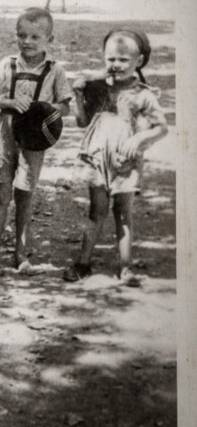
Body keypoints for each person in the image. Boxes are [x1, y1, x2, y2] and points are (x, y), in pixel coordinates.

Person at [64, 28, 168, 286]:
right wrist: (78, 95)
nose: (116, 64)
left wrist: (139, 139)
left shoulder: (143, 94)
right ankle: (83, 263)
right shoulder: (97, 88)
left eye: (123, 59)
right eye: (111, 59)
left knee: (123, 211)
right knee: (96, 210)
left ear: (139, 61)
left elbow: (161, 128)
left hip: (125, 162)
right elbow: (82, 121)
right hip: (98, 159)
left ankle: (125, 267)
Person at [0, 8, 71, 273]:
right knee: (1, 195)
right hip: (5, 135)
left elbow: (65, 107)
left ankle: (21, 253)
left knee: (25, 196)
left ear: (49, 39)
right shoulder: (7, 64)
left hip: (34, 140)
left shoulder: (55, 70)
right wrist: (9, 102)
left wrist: (43, 108)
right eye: (21, 35)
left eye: (34, 37)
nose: (26, 41)